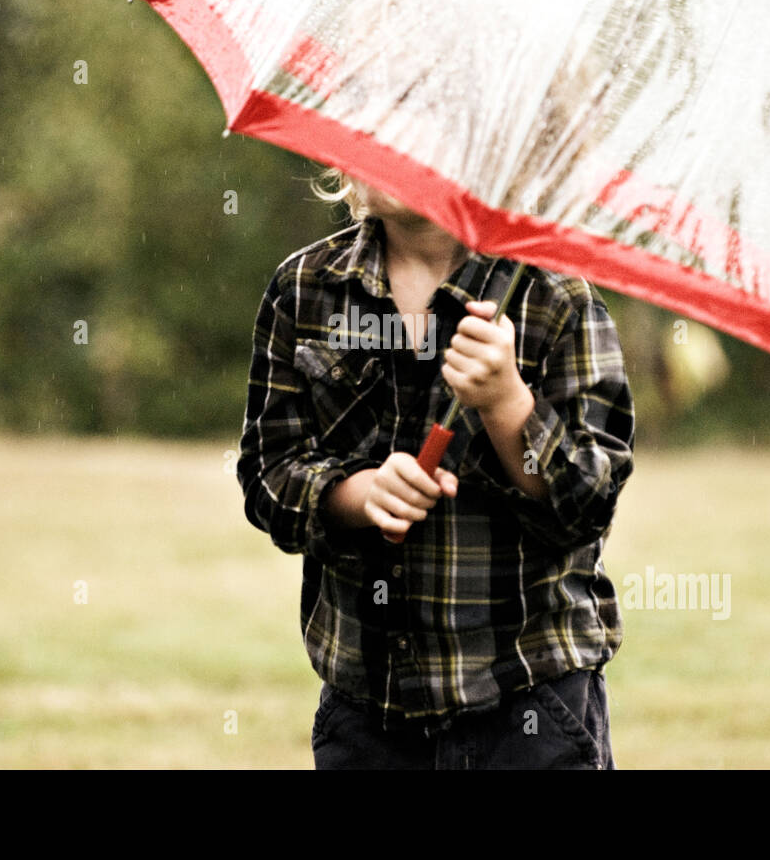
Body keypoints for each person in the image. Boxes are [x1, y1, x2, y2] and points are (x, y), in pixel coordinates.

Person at [235, 169, 635, 769]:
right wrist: (358, 493)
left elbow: (585, 503)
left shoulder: (554, 297)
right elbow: (268, 475)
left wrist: (506, 403)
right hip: (369, 717)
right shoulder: (306, 289)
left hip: (530, 708)